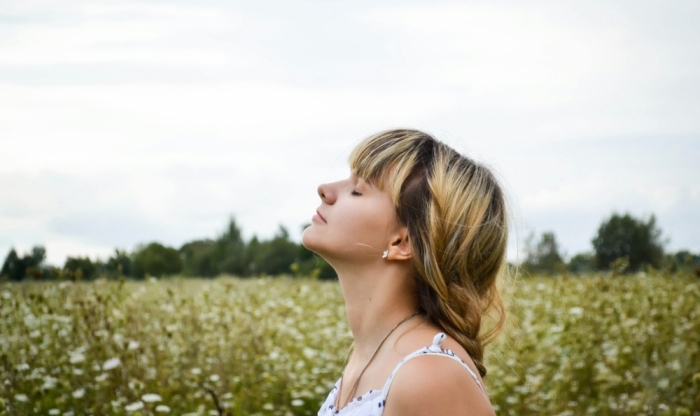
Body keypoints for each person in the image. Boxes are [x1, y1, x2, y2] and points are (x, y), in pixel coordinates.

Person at [302, 129, 507, 416]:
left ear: (402, 242)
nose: (325, 189)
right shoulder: (374, 357)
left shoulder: (429, 378)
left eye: (357, 190)